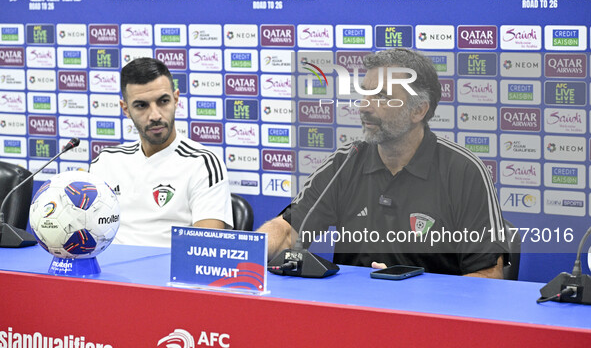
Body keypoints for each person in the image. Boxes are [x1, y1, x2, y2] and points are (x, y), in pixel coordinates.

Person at [259, 48, 509, 278]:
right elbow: (287, 232)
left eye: (381, 96)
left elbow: (488, 275)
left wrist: (414, 292)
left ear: (418, 110)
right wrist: (246, 251)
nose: (365, 106)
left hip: (430, 318)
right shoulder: (345, 163)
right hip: (352, 314)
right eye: (365, 93)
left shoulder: (463, 171)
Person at [90, 58, 232, 247]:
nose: (155, 115)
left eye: (163, 101)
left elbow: (204, 249)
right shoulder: (105, 162)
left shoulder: (203, 163)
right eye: (141, 105)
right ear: (125, 109)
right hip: (107, 273)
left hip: (168, 274)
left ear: (175, 99)